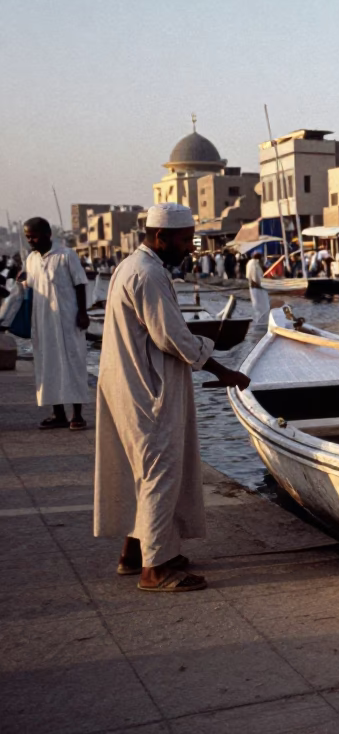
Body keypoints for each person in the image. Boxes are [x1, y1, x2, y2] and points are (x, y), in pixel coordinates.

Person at [94, 202, 251, 593]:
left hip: (136, 382)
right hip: (147, 388)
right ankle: (156, 570)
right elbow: (171, 337)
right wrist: (223, 369)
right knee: (159, 471)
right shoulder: (147, 274)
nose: (189, 248)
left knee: (150, 470)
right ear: (160, 237)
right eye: (183, 240)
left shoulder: (136, 267)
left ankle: (139, 553)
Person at [23, 217, 91, 430]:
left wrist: (83, 312)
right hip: (43, 322)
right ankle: (58, 413)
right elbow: (33, 287)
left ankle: (77, 414)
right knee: (48, 365)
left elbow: (80, 284)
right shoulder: (32, 259)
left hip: (68, 320)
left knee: (73, 362)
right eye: (27, 237)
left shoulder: (66, 255)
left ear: (46, 234)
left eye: (33, 236)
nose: (30, 241)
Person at [245, 252, 270, 322]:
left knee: (257, 305)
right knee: (262, 306)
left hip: (255, 288)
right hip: (257, 288)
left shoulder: (250, 263)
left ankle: (260, 319)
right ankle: (262, 320)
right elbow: (256, 278)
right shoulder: (254, 264)